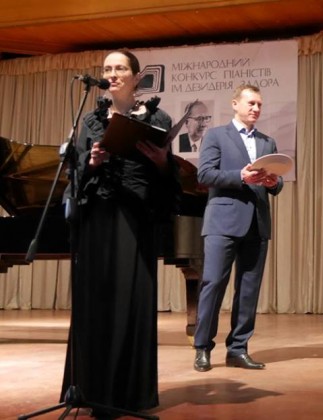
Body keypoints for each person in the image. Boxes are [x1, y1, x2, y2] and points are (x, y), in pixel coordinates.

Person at [60, 49, 180, 416]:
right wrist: (92, 163)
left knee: (133, 302)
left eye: (120, 68)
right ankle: (92, 390)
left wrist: (162, 161)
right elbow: (74, 174)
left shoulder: (158, 118)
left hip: (137, 218)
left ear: (136, 76)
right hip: (99, 219)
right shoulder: (91, 120)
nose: (112, 74)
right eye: (107, 68)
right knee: (96, 302)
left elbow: (169, 179)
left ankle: (129, 394)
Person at [193, 84, 283, 372]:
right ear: (235, 104)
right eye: (251, 103)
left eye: (259, 104)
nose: (256, 108)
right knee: (213, 285)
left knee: (248, 290)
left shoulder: (268, 142)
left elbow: (277, 182)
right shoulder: (216, 135)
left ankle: (238, 349)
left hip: (257, 223)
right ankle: (202, 348)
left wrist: (274, 182)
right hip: (222, 222)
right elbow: (205, 174)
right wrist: (240, 177)